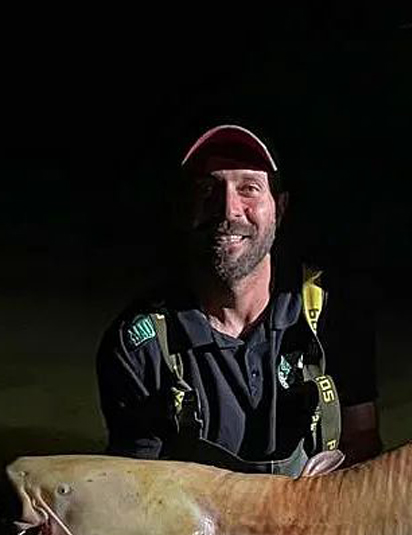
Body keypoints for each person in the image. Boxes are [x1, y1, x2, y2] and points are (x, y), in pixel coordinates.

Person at [96, 124, 381, 478]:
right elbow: (139, 494)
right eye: (208, 189)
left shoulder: (333, 312)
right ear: (185, 208)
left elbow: (364, 443)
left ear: (279, 207)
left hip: (315, 523)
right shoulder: (139, 345)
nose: (228, 209)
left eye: (248, 188)